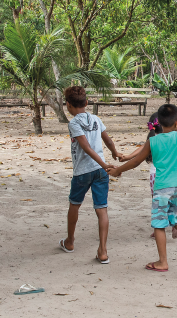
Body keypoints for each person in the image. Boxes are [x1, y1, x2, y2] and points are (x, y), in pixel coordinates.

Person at [108, 104, 177, 272]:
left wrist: (118, 170)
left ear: (159, 123)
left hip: (162, 188)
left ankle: (163, 262)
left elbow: (136, 161)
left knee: (159, 224)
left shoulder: (152, 141)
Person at [59, 86, 121, 264]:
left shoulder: (74, 123)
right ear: (86, 102)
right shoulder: (96, 119)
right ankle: (103, 251)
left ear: (68, 105)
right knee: (102, 209)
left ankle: (70, 241)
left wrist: (104, 164)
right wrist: (114, 153)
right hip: (101, 172)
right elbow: (107, 140)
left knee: (74, 204)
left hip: (83, 172)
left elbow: (85, 147)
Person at [121, 112, 177, 239]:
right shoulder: (174, 138)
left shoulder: (152, 140)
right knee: (173, 201)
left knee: (158, 204)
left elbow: (140, 151)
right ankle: (176, 225)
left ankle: (158, 229)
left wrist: (127, 157)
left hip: (156, 177)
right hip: (174, 177)